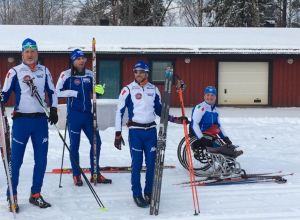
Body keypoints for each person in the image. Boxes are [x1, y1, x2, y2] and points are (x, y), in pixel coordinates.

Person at [114, 60, 186, 208]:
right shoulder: (128, 89)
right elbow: (119, 112)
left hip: (151, 132)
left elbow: (160, 111)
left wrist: (176, 119)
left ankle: (148, 191)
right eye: (135, 71)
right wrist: (117, 134)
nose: (138, 74)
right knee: (137, 164)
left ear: (147, 73)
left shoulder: (153, 89)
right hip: (135, 132)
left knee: (152, 164)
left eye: (141, 71)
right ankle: (137, 194)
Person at [1, 38, 58, 212]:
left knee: (41, 160)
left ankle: (35, 194)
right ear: (22, 54)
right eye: (27, 51)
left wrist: (54, 108)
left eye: (33, 50)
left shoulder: (44, 70)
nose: (30, 54)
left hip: (40, 121)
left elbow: (52, 91)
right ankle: (13, 194)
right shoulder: (14, 71)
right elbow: (5, 94)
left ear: (37, 53)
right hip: (21, 121)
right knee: (16, 161)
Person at [56, 49, 111, 186]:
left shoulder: (90, 74)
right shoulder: (66, 75)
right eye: (78, 58)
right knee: (74, 146)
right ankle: (76, 175)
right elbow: (57, 91)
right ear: (73, 61)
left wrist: (99, 91)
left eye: (83, 58)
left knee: (96, 143)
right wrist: (73, 93)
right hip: (74, 115)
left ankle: (95, 173)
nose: (81, 60)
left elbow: (96, 91)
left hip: (88, 116)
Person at [190, 86, 243, 158]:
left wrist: (225, 138)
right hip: (199, 135)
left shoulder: (215, 110)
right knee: (218, 147)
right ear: (204, 96)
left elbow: (218, 125)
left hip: (209, 134)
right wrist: (201, 138)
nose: (210, 97)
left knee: (223, 145)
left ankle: (230, 158)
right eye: (207, 95)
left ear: (215, 97)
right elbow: (194, 124)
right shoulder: (200, 108)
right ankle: (229, 156)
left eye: (212, 95)